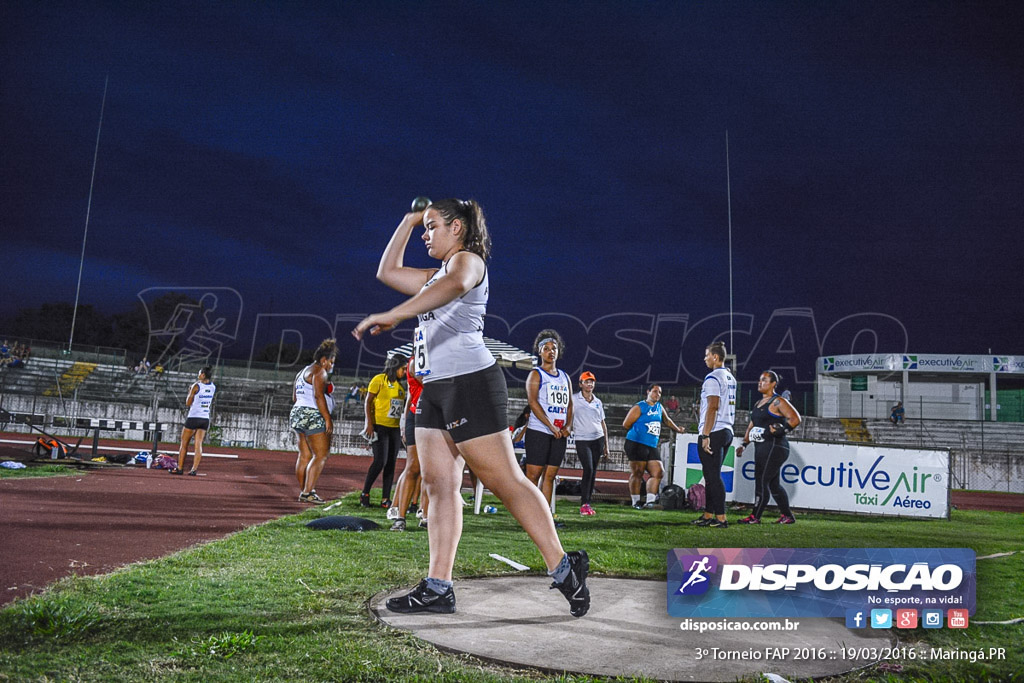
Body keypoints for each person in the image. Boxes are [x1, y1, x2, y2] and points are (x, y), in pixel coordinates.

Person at [353, 197, 589, 617]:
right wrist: (408, 221)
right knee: (438, 486)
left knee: (506, 482)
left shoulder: (468, 262)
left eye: (431, 227)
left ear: (457, 227)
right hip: (432, 390)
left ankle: (564, 568)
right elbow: (385, 271)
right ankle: (438, 586)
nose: (425, 235)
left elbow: (455, 287)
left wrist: (396, 314)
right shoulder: (431, 274)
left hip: (471, 385)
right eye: (422, 228)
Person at [736, 371, 801, 524]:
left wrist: (782, 430)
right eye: (759, 380)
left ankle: (755, 517)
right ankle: (788, 516)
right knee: (773, 484)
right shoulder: (758, 404)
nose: (760, 383)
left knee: (762, 480)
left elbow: (796, 418)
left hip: (775, 446)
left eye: (764, 380)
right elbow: (752, 426)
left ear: (773, 384)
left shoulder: (777, 401)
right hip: (762, 447)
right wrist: (744, 444)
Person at [523, 329, 573, 511]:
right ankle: (528, 513)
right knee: (533, 475)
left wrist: (568, 425)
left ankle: (545, 516)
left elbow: (570, 405)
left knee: (550, 476)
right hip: (540, 431)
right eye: (546, 348)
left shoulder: (565, 377)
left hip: (559, 434)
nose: (551, 352)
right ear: (540, 352)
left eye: (554, 348)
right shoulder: (536, 375)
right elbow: (533, 402)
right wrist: (550, 426)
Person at [691, 341, 737, 528]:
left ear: (715, 357)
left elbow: (713, 406)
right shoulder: (730, 377)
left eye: (707, 355)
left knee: (713, 476)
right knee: (711, 475)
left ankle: (721, 517)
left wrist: (705, 435)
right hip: (727, 430)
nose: (705, 358)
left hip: (715, 430)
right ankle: (708, 514)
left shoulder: (712, 378)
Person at [622, 383, 685, 509]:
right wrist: (639, 432)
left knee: (658, 472)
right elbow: (626, 424)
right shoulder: (640, 407)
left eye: (660, 393)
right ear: (648, 392)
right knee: (638, 473)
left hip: (651, 445)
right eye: (655, 391)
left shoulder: (659, 407)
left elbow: (666, 420)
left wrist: (677, 429)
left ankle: (650, 501)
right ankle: (636, 502)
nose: (658, 394)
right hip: (636, 443)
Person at [290, 339, 337, 503]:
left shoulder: (302, 372)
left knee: (304, 456)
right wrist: (327, 418)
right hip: (313, 414)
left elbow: (294, 397)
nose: (331, 366)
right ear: (324, 360)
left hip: (297, 412)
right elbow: (318, 396)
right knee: (321, 455)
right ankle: (308, 492)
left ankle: (305, 490)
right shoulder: (319, 372)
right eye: (331, 362)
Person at [359, 354, 407, 509]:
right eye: (403, 368)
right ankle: (365, 493)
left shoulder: (401, 387)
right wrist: (369, 423)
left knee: (391, 464)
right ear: (395, 366)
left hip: (394, 428)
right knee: (380, 461)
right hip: (379, 426)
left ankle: (386, 498)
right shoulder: (379, 379)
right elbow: (368, 401)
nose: (405, 372)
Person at [391, 356, 426, 531]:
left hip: (434, 416)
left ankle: (425, 514)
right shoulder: (416, 361)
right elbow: (428, 386)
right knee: (413, 467)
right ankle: (400, 516)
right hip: (418, 414)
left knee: (430, 470)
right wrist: (404, 423)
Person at [571, 371, 609, 516]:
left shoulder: (598, 402)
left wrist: (607, 445)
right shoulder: (574, 399)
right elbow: (569, 417)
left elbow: (603, 423)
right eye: (587, 381)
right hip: (582, 439)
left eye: (592, 381)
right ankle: (583, 504)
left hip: (597, 438)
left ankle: (588, 502)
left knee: (593, 471)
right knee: (588, 468)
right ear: (580, 384)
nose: (590, 384)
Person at [169, 365, 216, 475]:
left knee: (184, 444)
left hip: (193, 417)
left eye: (199, 373)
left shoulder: (196, 386)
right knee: (198, 445)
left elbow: (188, 403)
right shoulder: (213, 387)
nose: (198, 375)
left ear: (203, 375)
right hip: (205, 418)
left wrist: (190, 391)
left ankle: (180, 468)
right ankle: (194, 470)